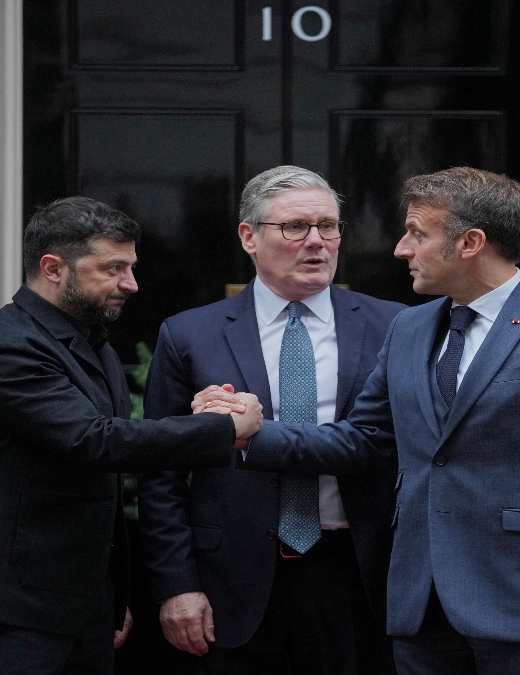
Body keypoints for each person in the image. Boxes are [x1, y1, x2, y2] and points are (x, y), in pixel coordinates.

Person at [237, 167, 520, 675]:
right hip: (419, 605)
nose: (401, 249)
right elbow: (363, 440)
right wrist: (249, 434)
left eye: (417, 234)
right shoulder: (409, 327)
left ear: (470, 242)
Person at [0, 196, 262, 675]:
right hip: (4, 610)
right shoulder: (5, 348)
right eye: (113, 269)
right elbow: (96, 442)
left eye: (131, 267)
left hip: (76, 606)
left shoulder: (90, 341)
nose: (131, 284)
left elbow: (103, 460)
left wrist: (110, 595)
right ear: (53, 268)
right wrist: (223, 426)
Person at [138, 166, 405, 674]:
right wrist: (176, 585)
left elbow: (392, 444)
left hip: (358, 571)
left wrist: (251, 435)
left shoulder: (394, 326)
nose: (317, 242)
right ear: (249, 237)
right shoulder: (190, 334)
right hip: (230, 577)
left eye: (328, 226)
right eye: (295, 227)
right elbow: (162, 475)